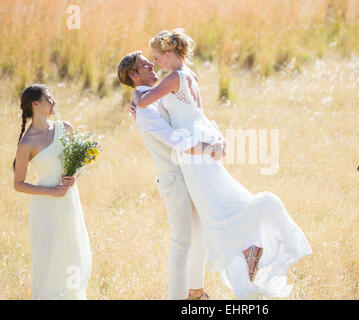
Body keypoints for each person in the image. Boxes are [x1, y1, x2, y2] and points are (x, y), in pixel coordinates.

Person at [133, 29, 312, 299]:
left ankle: (248, 247)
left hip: (192, 151)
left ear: (169, 54)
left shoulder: (173, 78)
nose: (155, 62)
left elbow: (144, 100)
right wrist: (216, 140)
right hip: (199, 140)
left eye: (157, 56)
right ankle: (246, 251)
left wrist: (135, 97)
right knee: (215, 206)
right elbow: (201, 114)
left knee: (214, 211)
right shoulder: (190, 75)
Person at [118, 51, 225, 299]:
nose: (153, 66)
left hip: (191, 173)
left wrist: (215, 138)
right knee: (181, 243)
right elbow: (174, 139)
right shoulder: (145, 109)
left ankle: (196, 292)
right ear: (134, 75)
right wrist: (208, 150)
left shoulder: (153, 97)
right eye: (146, 65)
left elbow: (190, 113)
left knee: (200, 234)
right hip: (174, 179)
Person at [13, 84, 92, 299]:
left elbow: (79, 165)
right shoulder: (26, 143)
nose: (53, 102)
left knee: (74, 250)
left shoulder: (64, 128)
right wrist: (51, 192)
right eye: (48, 99)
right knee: (50, 255)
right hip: (46, 204)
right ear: (35, 104)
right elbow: (18, 184)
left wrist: (74, 176)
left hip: (69, 200)